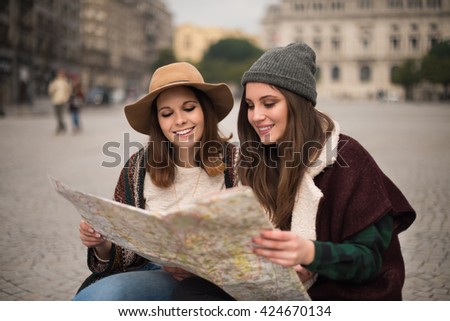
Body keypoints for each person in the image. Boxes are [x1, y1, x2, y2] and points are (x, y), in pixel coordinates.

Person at [173, 43, 416, 300]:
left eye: (269, 103)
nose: (256, 116)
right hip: (273, 288)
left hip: (337, 294)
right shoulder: (256, 159)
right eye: (251, 105)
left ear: (298, 103)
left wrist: (310, 254)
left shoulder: (347, 157)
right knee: (192, 291)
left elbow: (369, 262)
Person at [72, 62, 238, 300]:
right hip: (153, 275)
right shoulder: (137, 168)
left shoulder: (237, 163)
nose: (179, 120)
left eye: (189, 108)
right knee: (101, 296)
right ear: (157, 122)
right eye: (167, 114)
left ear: (205, 110)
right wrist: (101, 242)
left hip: (218, 282)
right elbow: (123, 252)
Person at [48, 69, 72, 134]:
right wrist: (53, 90)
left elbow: (69, 91)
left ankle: (59, 128)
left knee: (61, 115)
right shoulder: (55, 82)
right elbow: (50, 90)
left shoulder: (65, 82)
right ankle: (62, 126)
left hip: (63, 100)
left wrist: (66, 98)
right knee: (57, 115)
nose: (61, 75)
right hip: (56, 100)